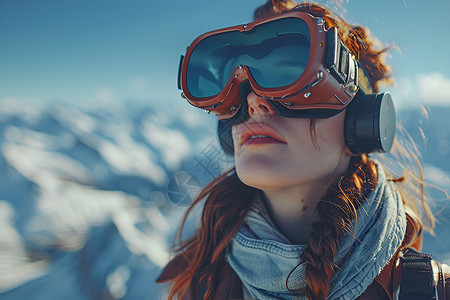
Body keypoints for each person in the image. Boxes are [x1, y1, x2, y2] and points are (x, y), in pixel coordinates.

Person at [157, 0, 450, 299]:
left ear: (360, 121)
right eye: (239, 84)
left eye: (290, 75)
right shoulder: (198, 286)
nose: (254, 102)